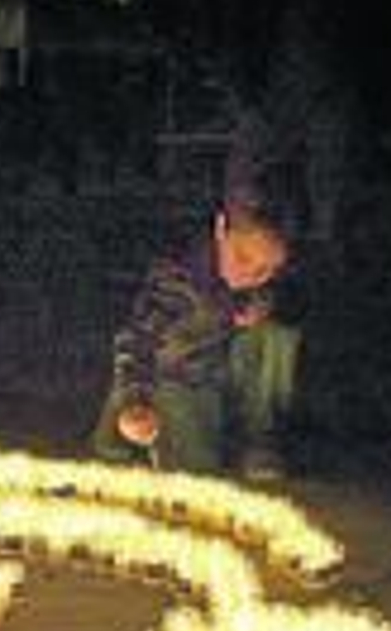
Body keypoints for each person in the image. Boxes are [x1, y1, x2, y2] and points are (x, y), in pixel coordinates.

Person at [90, 198, 301, 479]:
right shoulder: (176, 278)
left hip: (216, 376)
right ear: (220, 230)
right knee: (189, 469)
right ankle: (127, 434)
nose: (251, 275)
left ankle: (259, 440)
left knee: (277, 334)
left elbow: (282, 307)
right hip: (169, 379)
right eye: (243, 258)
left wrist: (260, 304)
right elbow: (136, 339)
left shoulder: (255, 284)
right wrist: (134, 401)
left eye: (267, 270)